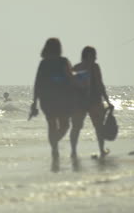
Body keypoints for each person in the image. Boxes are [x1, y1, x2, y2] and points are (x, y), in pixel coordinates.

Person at [31, 38, 74, 171]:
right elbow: (70, 79)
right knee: (65, 125)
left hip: (47, 100)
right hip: (62, 99)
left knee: (52, 125)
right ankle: (55, 145)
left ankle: (54, 148)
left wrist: (35, 102)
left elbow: (37, 83)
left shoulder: (43, 63)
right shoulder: (63, 61)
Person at [70, 46, 113, 159]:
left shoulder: (88, 67)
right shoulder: (82, 67)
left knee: (93, 127)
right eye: (93, 55)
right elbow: (73, 86)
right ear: (87, 55)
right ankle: (75, 151)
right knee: (80, 127)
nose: (95, 57)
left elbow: (99, 84)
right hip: (84, 102)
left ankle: (99, 150)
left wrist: (107, 101)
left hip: (89, 101)